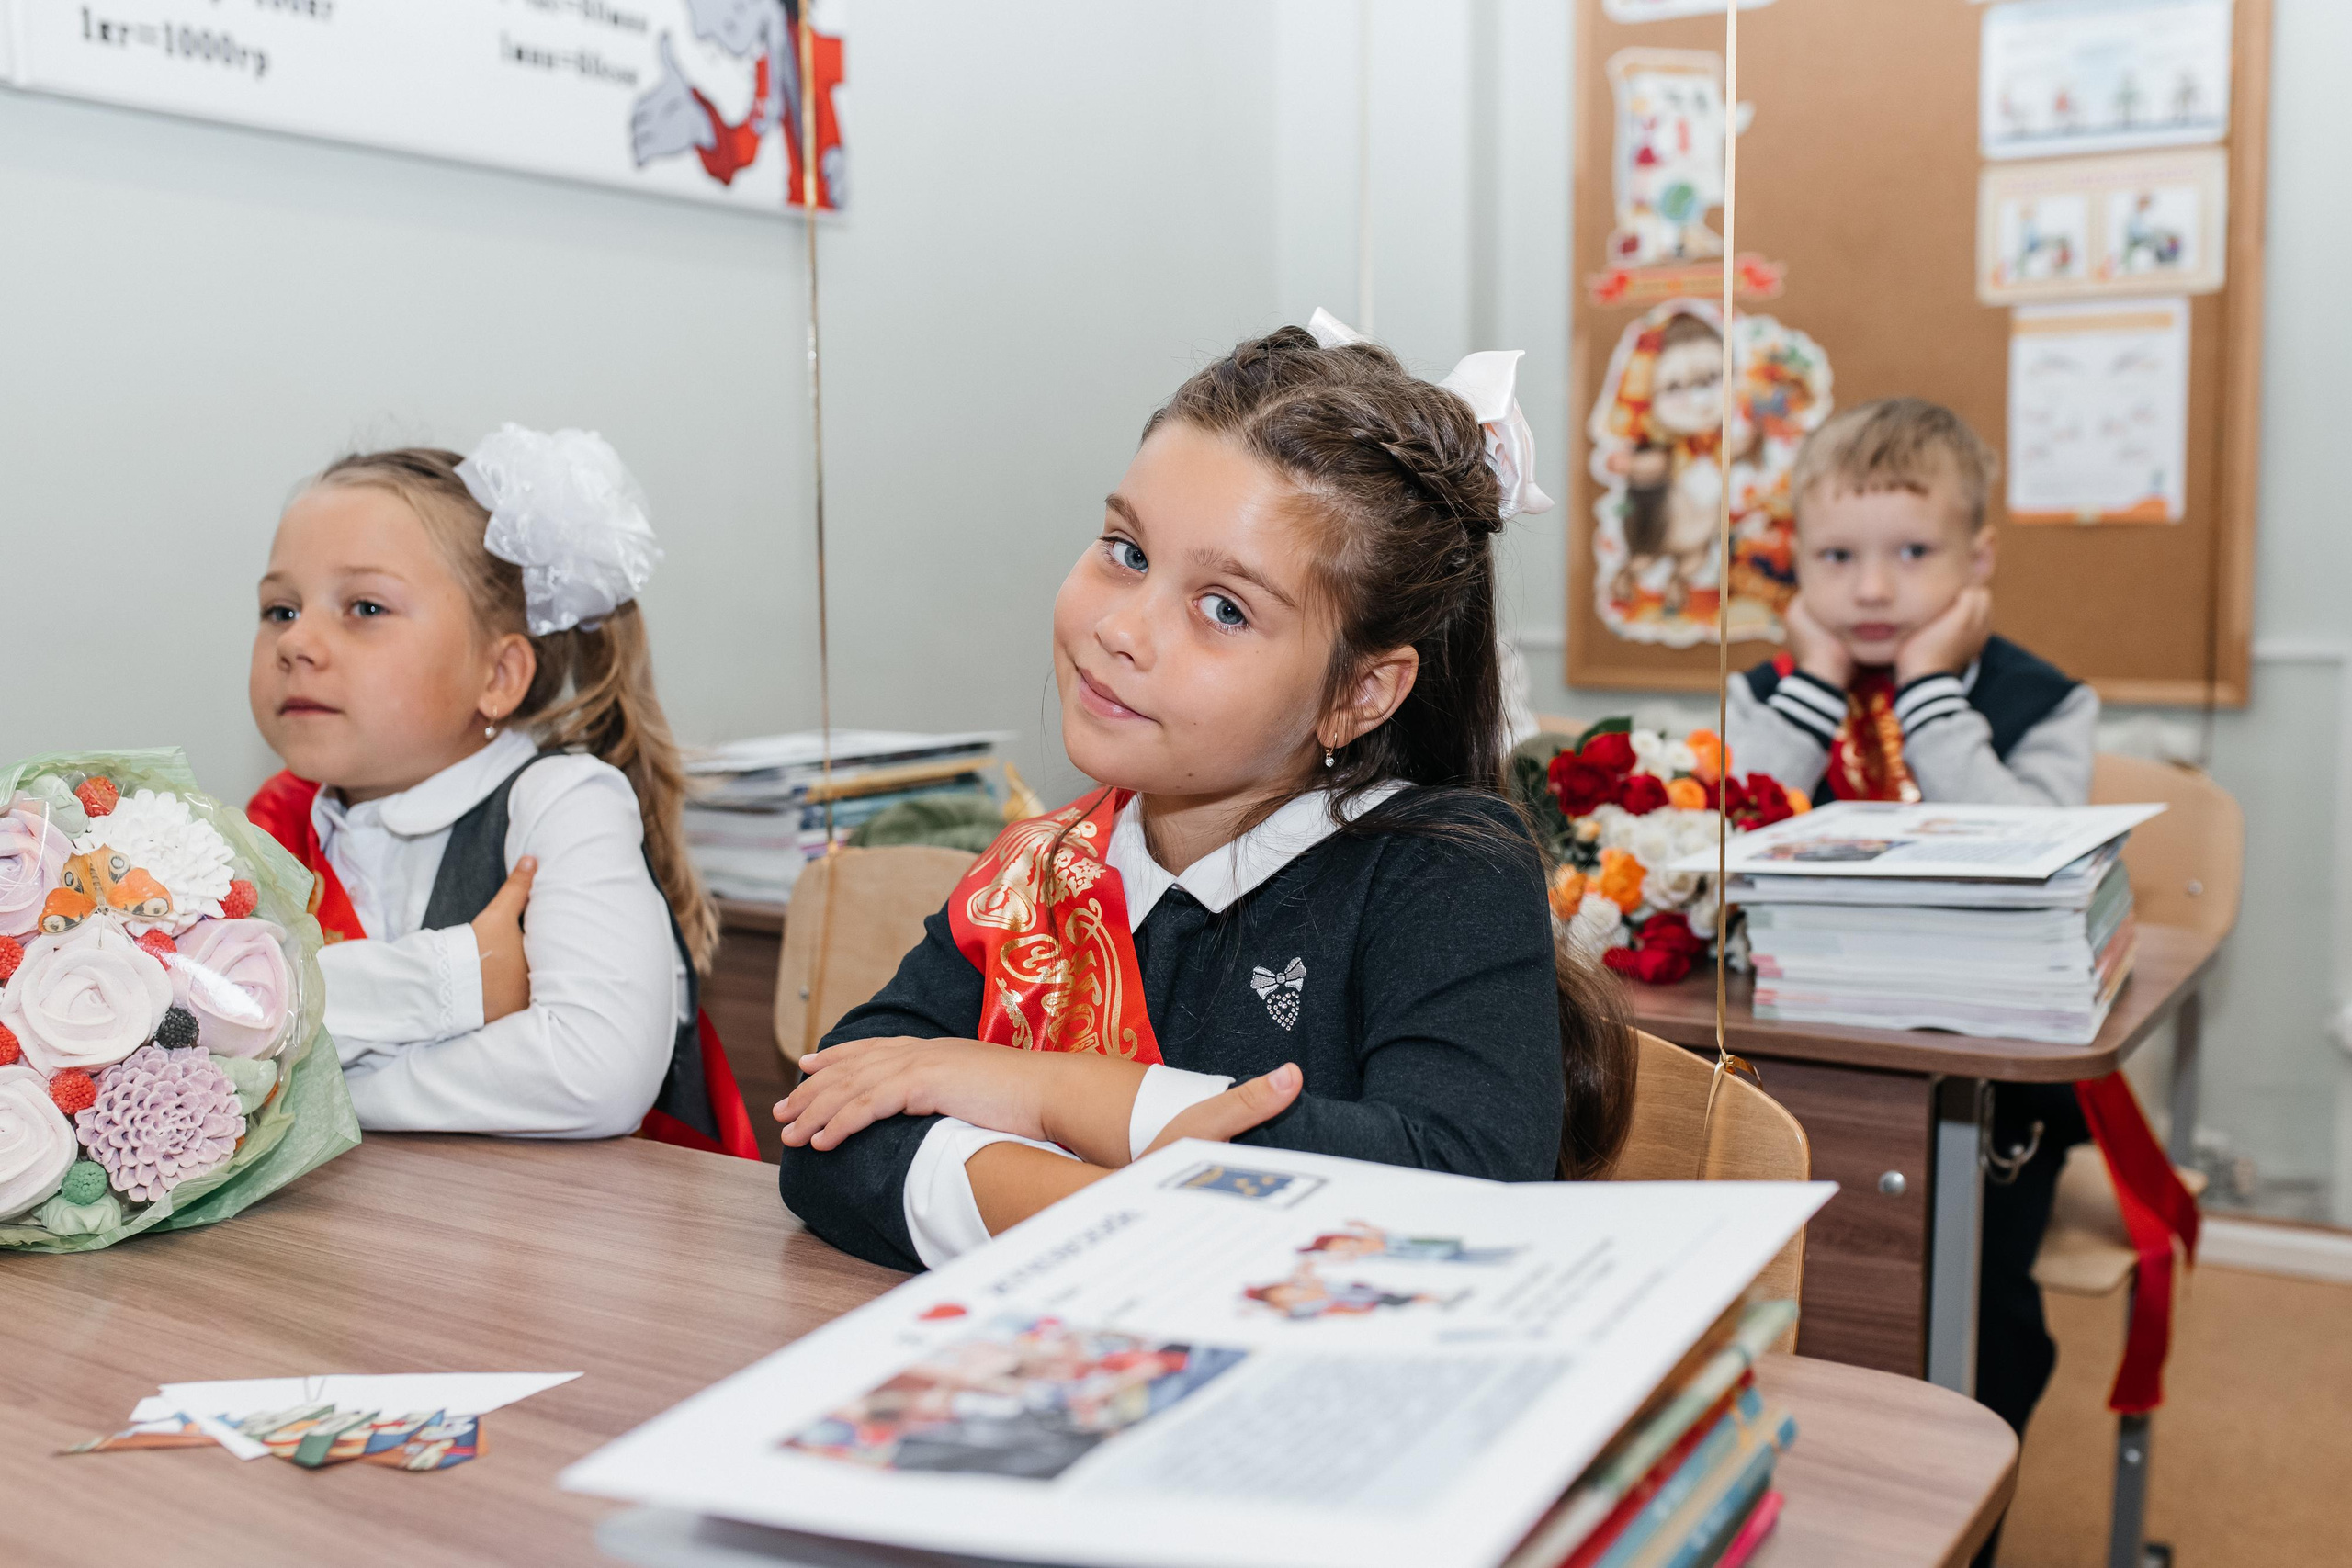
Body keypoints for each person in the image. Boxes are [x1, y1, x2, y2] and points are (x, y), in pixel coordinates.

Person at [772, 314, 1637, 1272]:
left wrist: (1046, 1094)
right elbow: (828, 1134)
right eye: (1126, 552)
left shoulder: (1442, 871)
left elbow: (1454, 1190)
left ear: (1359, 694)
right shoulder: (1042, 870)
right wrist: (1133, 1211)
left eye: (1224, 608)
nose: (1123, 629)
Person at [1724, 399, 2106, 1506]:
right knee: (1820, 1301)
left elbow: (2022, 851)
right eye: (1837, 557)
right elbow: (1722, 841)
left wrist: (1932, 690)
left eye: (1912, 553)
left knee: (1982, 1327)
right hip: (1802, 1061)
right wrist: (1808, 688)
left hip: (1988, 1097)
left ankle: (1956, 1503)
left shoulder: (2044, 702)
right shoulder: (1768, 695)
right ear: (1795, 561)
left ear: (1977, 560)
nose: (1873, 589)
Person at [243, 429, 756, 1156]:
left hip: (597, 1241)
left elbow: (593, 1073)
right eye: (280, 610)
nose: (297, 642)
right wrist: (454, 982)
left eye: (364, 608)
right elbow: (196, 1022)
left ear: (499, 676)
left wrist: (313, 1092)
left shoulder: (564, 801)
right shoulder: (273, 822)